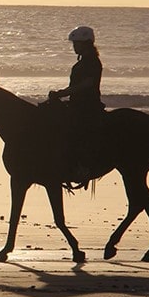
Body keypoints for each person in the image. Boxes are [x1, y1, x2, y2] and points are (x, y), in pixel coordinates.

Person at [48, 25, 105, 182]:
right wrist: (61, 93)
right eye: (74, 44)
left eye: (76, 44)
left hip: (87, 106)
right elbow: (75, 86)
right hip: (77, 104)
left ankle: (82, 166)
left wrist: (63, 93)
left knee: (74, 129)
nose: (74, 47)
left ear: (85, 44)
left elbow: (86, 84)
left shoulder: (92, 62)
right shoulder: (81, 63)